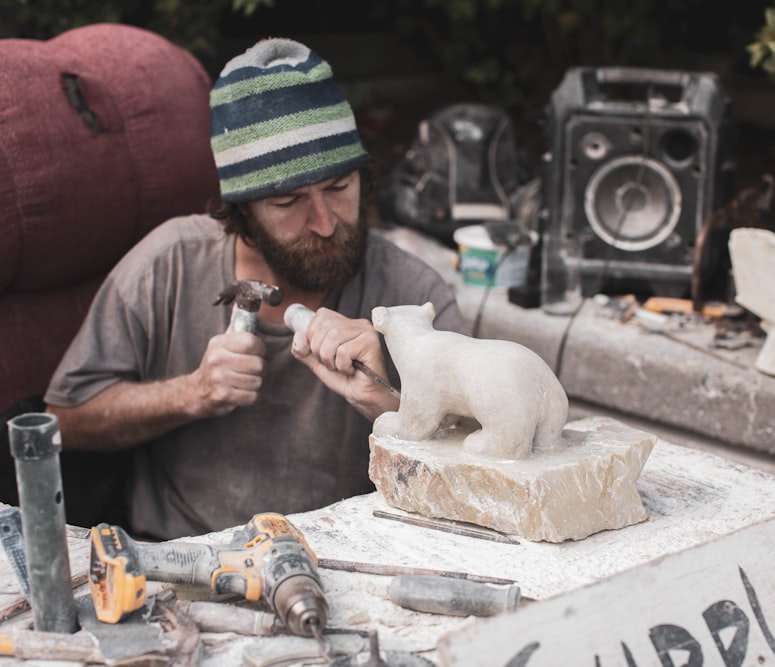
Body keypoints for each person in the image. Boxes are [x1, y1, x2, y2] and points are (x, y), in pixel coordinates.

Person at [43, 38, 466, 540]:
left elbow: (477, 467)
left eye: (339, 187)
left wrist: (389, 406)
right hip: (179, 562)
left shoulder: (413, 295)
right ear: (241, 209)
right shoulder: (168, 264)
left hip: (347, 564)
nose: (327, 223)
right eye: (289, 201)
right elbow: (63, 421)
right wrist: (190, 393)